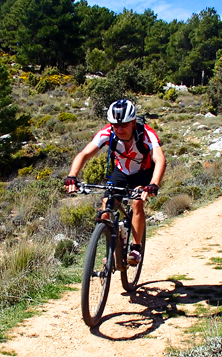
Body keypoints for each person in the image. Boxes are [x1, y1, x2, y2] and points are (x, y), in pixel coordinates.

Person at [64, 99, 166, 265]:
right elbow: (84, 154)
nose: (119, 129)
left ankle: (135, 248)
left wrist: (154, 183)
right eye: (115, 125)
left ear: (133, 122)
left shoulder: (146, 134)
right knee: (106, 210)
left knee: (137, 203)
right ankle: (113, 249)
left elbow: (160, 159)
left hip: (143, 173)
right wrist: (72, 176)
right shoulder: (107, 133)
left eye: (124, 125)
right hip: (121, 172)